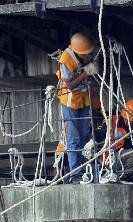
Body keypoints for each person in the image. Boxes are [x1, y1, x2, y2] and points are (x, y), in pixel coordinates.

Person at [55, 32, 99, 178]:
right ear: (78, 52)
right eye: (85, 54)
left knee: (86, 136)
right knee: (73, 138)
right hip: (70, 102)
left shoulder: (85, 53)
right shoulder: (65, 60)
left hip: (85, 99)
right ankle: (76, 173)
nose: (88, 56)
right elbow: (70, 86)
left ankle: (87, 170)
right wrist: (85, 74)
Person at [87, 99, 133, 180]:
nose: (130, 121)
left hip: (128, 155)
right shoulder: (112, 121)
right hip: (111, 158)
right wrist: (94, 139)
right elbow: (96, 134)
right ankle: (119, 175)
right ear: (123, 114)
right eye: (128, 118)